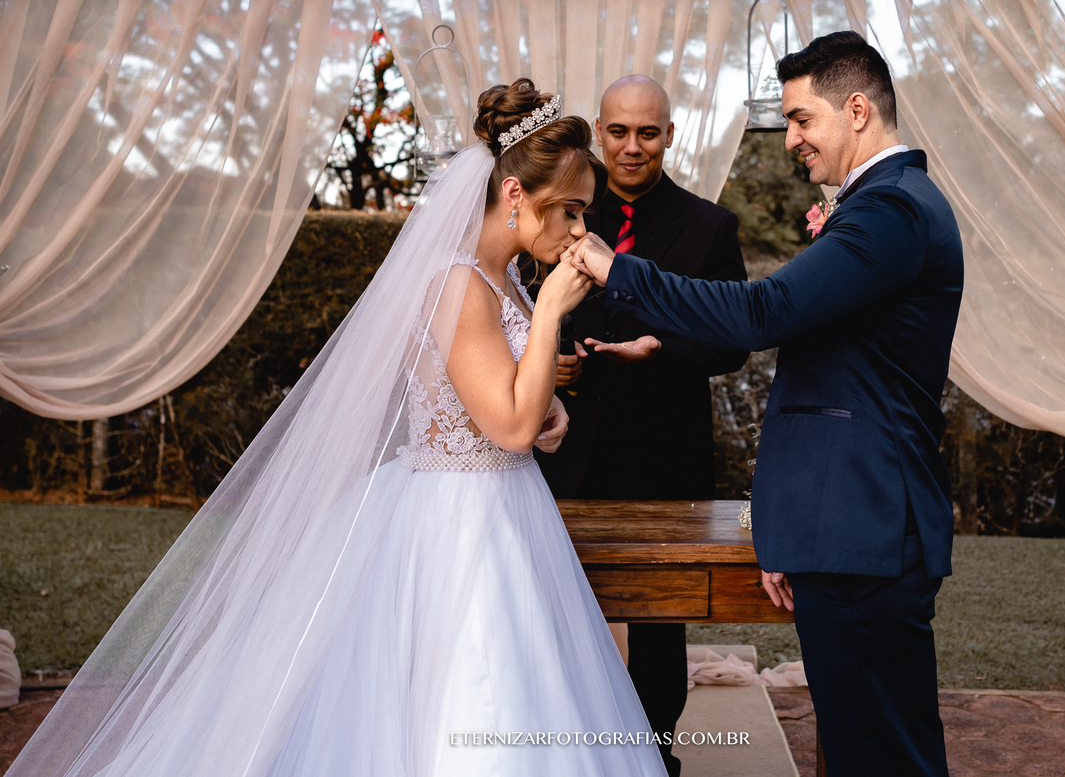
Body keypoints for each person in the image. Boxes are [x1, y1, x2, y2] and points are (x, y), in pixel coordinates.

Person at [8, 80, 669, 777]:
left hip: (508, 509)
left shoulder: (505, 279)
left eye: (582, 214)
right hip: (458, 523)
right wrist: (545, 329)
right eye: (567, 210)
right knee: (472, 691)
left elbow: (508, 404)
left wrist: (547, 408)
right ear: (513, 193)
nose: (577, 231)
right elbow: (506, 424)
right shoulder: (457, 282)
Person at [567, 31, 962, 777]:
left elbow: (764, 312)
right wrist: (789, 525)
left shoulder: (892, 213)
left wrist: (620, 272)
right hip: (840, 527)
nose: (792, 140)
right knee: (859, 747)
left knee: (881, 753)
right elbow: (828, 387)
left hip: (863, 527)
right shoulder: (881, 206)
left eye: (802, 120)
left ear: (856, 110)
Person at [533, 74, 748, 777]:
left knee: (660, 626)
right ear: (599, 131)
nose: (632, 147)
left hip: (663, 454)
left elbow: (733, 340)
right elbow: (518, 311)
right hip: (567, 453)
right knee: (555, 610)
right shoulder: (558, 217)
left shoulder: (711, 227)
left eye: (647, 132)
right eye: (619, 132)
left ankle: (656, 757)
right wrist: (550, 364)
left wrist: (664, 351)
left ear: (670, 135)